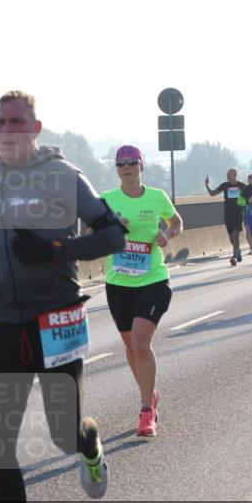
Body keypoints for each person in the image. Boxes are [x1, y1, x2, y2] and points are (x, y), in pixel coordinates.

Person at [0, 90, 126, 503]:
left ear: (36, 128)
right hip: (4, 326)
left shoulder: (65, 178)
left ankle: (90, 442)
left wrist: (59, 248)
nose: (8, 130)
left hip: (54, 321)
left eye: (17, 122)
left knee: (63, 434)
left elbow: (114, 236)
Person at [106, 146, 183, 436]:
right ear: (116, 169)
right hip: (118, 283)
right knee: (129, 348)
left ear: (141, 166)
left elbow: (177, 222)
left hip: (152, 280)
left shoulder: (156, 196)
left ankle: (146, 411)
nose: (126, 167)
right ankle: (149, 393)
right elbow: (89, 236)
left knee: (140, 344)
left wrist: (167, 234)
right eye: (120, 164)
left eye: (131, 163)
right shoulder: (107, 201)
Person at [205, 169, 246, 266]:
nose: (227, 176)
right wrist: (207, 185)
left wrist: (243, 205)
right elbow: (212, 193)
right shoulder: (224, 185)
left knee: (236, 235)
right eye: (227, 174)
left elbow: (248, 197)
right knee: (231, 237)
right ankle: (238, 251)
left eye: (229, 174)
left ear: (235, 175)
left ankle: (234, 257)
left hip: (238, 214)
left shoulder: (242, 186)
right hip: (228, 214)